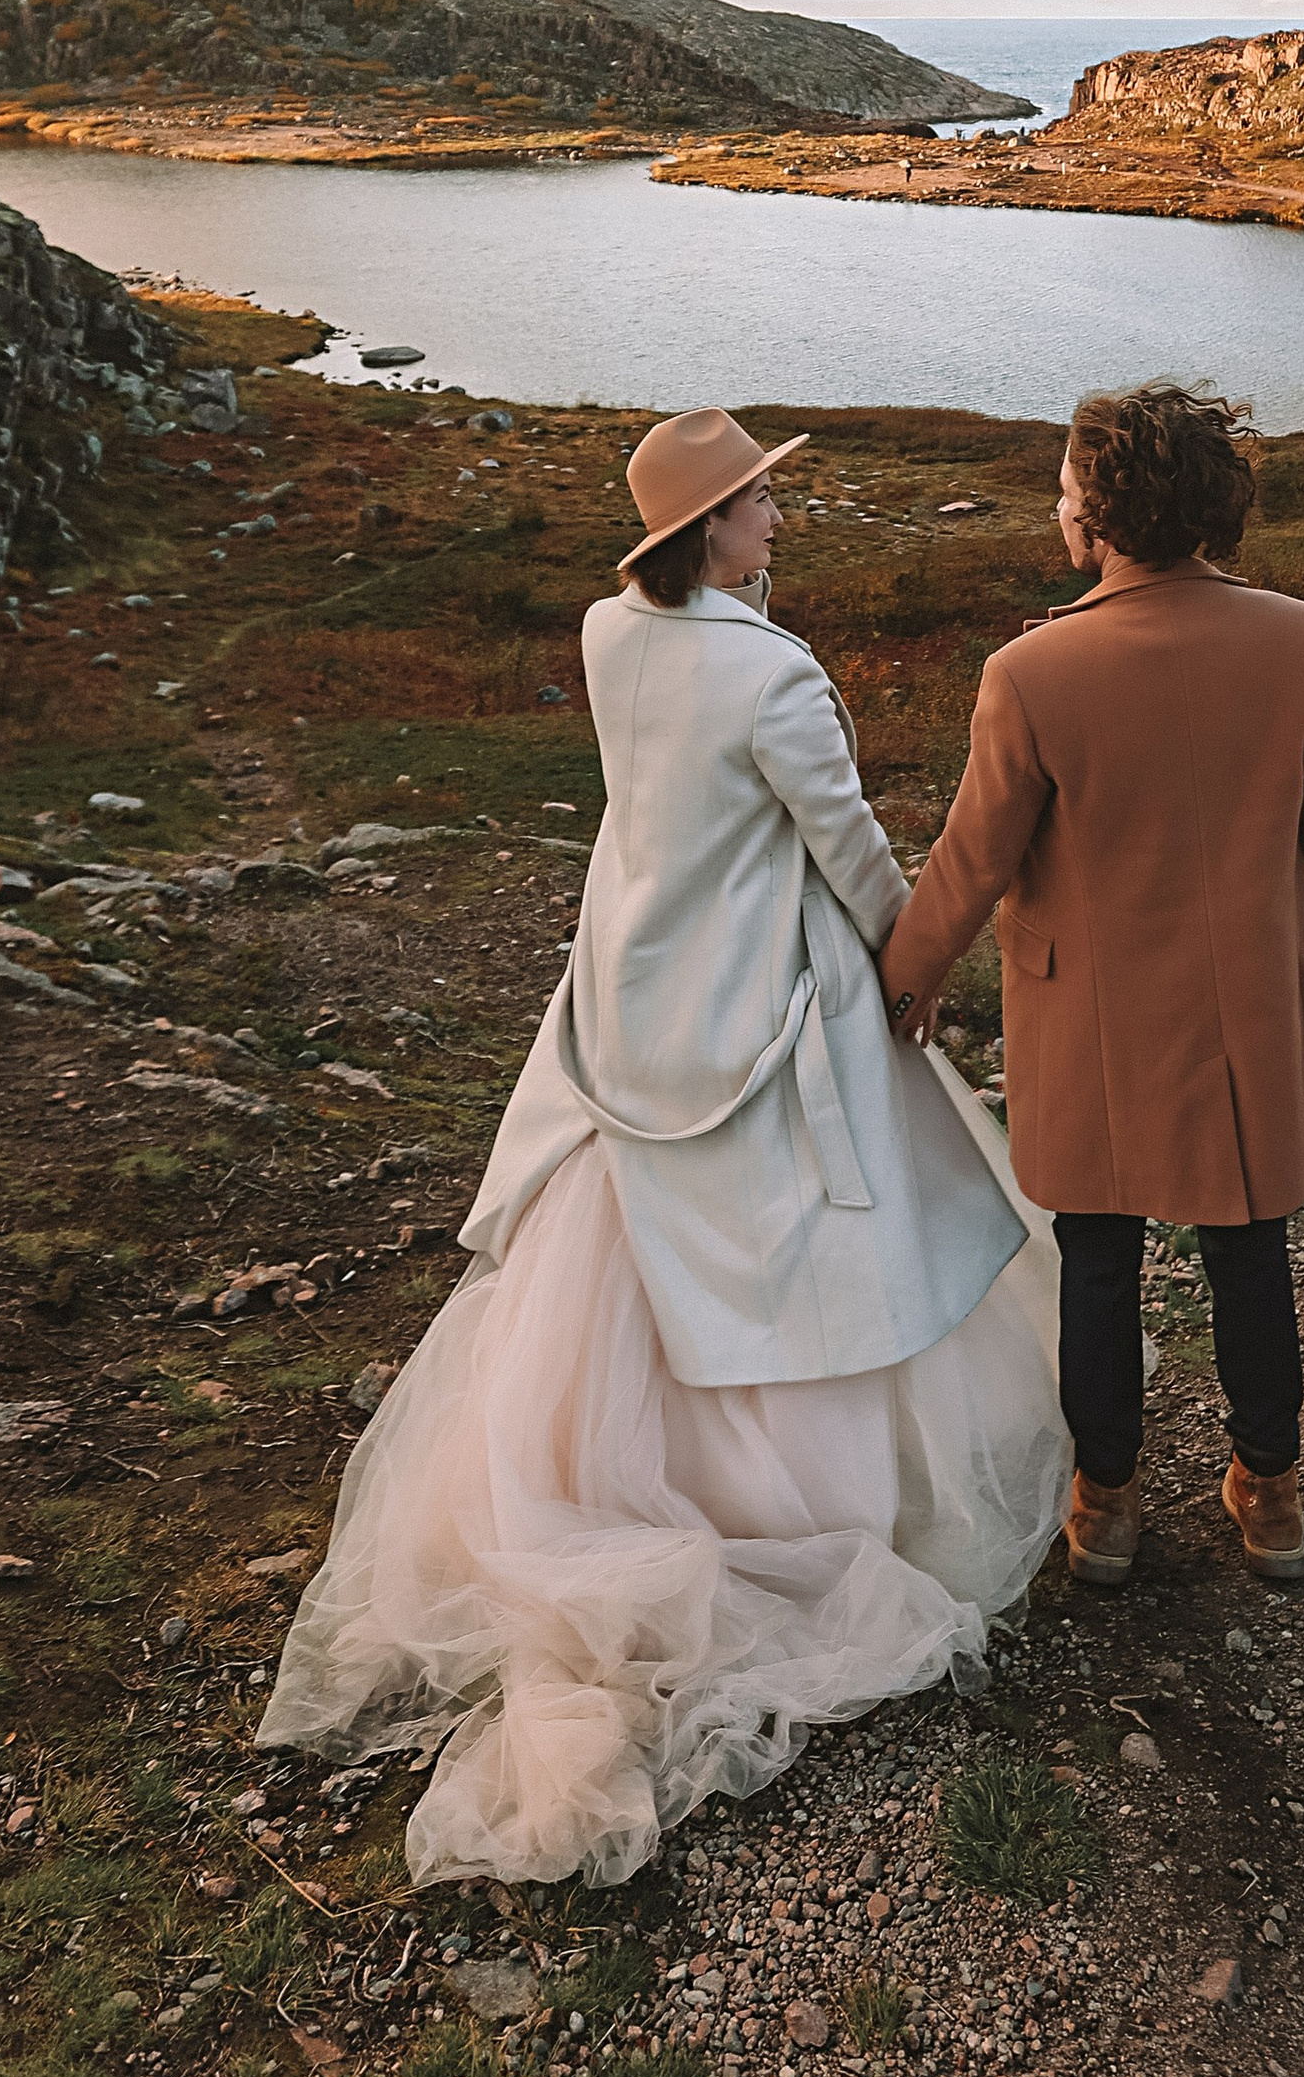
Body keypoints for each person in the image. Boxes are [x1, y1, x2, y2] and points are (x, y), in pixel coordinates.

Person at [257, 407, 1068, 1888]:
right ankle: (809, 1510)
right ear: (709, 529)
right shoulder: (775, 674)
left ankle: (620, 1477)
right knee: (799, 1241)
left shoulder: (606, 632)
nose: (780, 518)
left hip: (637, 981)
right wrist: (915, 969)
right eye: (760, 501)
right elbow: (848, 846)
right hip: (763, 989)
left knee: (623, 1246)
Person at [879, 379, 1304, 1591]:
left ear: (1095, 515)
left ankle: (1104, 1508)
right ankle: (1271, 1500)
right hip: (1247, 1014)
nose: (1057, 504)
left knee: (1098, 1266)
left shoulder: (1032, 671)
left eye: (1063, 486)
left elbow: (970, 861)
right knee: (1248, 1255)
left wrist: (901, 977)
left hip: (1089, 1026)